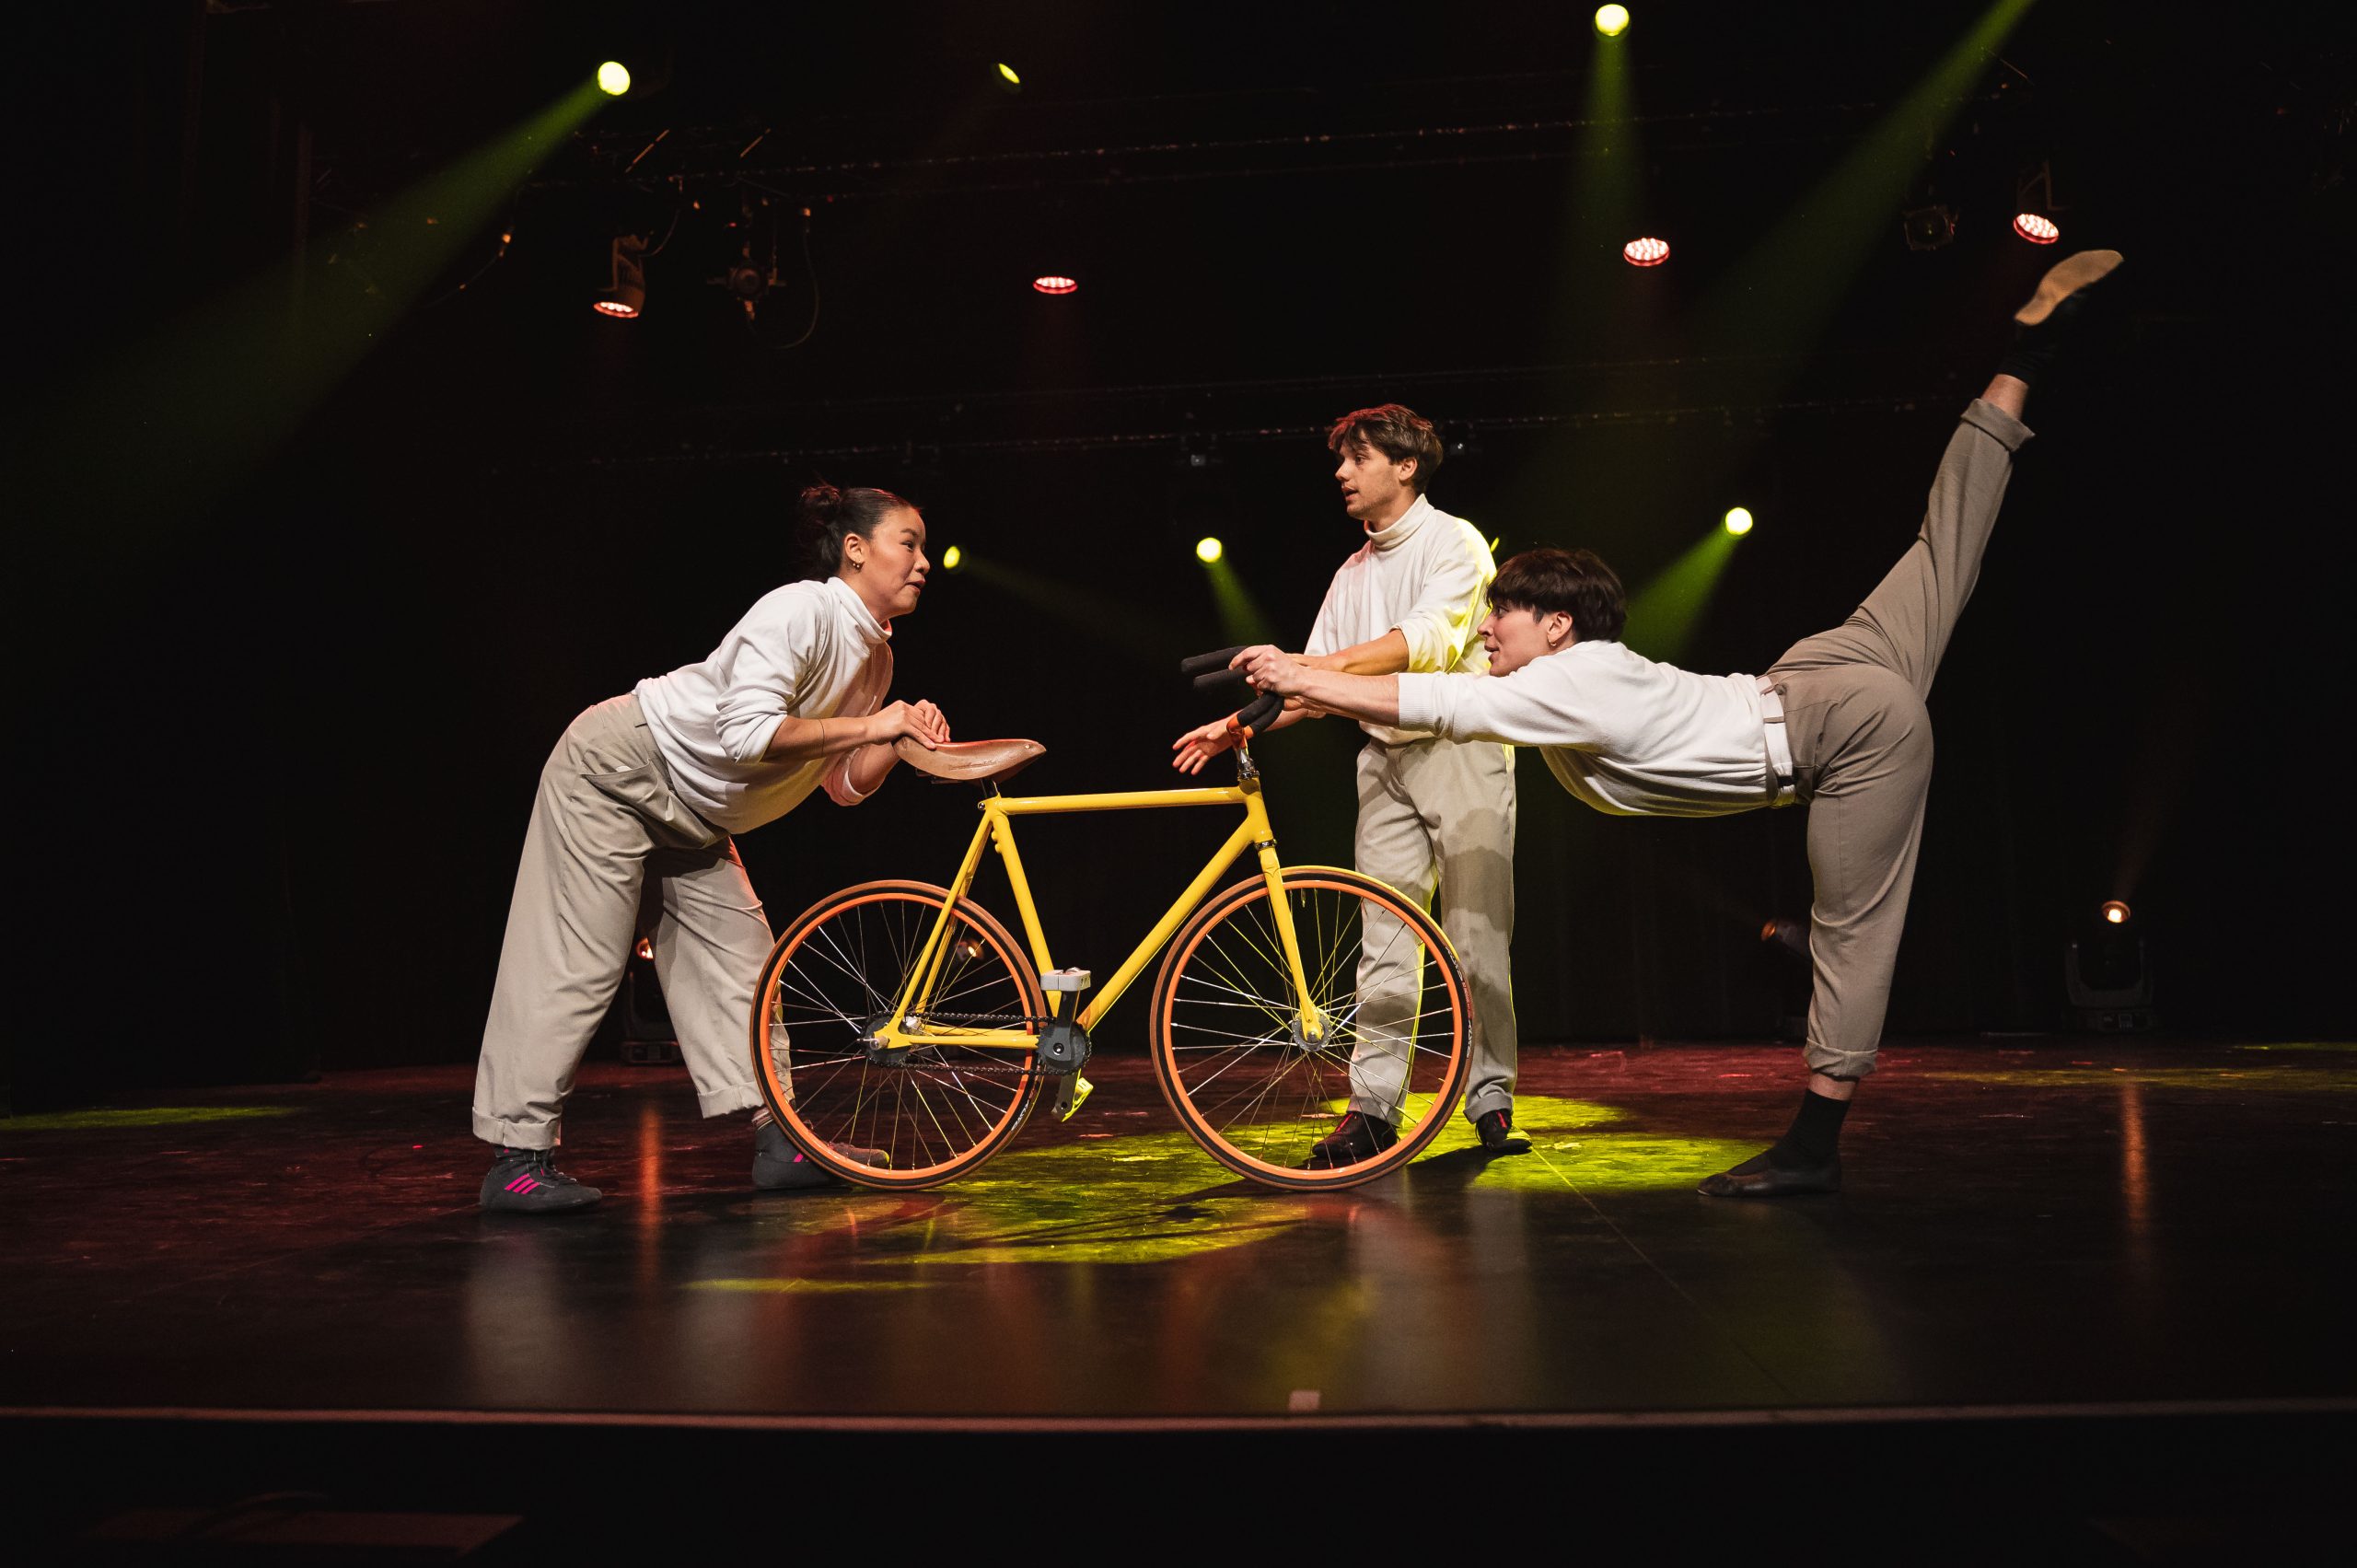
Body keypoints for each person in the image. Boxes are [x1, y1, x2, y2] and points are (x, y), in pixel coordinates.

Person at [1228, 250, 2122, 1196]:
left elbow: (1435, 696)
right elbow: (1440, 693)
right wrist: (1286, 693)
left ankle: (1812, 1145)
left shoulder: (1567, 681)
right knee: (1943, 546)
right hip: (1810, 671)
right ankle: (2020, 361)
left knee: (1853, 927)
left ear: (1558, 624)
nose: (1483, 627)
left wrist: (1301, 673)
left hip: (1844, 728)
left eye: (1503, 615)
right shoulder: (1571, 671)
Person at [471, 484, 953, 1212]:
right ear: (855, 548)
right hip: (619, 769)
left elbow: (844, 784)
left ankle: (782, 1140)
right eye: (908, 543)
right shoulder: (802, 609)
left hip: (693, 815)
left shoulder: (875, 660)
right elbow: (748, 732)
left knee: (746, 965)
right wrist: (869, 727)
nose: (922, 563)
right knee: (580, 961)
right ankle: (516, 1156)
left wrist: (899, 734)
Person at [1173, 402, 1523, 1167]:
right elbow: (1308, 682)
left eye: (1356, 458)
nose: (1341, 472)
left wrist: (1302, 668)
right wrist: (1239, 726)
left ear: (1404, 466)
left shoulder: (1453, 542)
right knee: (1383, 940)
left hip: (1460, 748)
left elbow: (1421, 647)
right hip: (1385, 761)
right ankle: (1373, 1108)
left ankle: (1490, 1095)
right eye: (1342, 460)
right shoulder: (1353, 571)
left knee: (1476, 938)